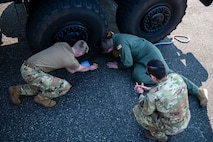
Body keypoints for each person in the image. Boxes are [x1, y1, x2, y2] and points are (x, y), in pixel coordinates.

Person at [100, 32, 208, 107]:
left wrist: (118, 66)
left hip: (150, 54)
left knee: (167, 74)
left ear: (110, 48)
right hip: (140, 58)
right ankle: (160, 84)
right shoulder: (113, 37)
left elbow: (128, 63)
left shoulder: (121, 45)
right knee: (137, 76)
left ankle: (198, 91)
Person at [8, 40, 98, 108]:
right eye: (81, 54)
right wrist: (91, 67)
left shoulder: (63, 44)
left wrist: (72, 64)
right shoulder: (71, 60)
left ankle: (17, 90)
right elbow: (77, 69)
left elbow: (67, 66)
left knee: (41, 85)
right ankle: (42, 98)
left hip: (26, 66)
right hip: (32, 73)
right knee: (65, 86)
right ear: (79, 53)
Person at [133, 59, 191, 142]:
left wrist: (140, 93)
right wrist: (149, 89)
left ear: (152, 76)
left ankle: (158, 135)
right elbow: (165, 89)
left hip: (172, 128)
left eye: (147, 74)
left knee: (137, 110)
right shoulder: (176, 77)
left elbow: (146, 111)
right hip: (185, 118)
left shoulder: (153, 95)